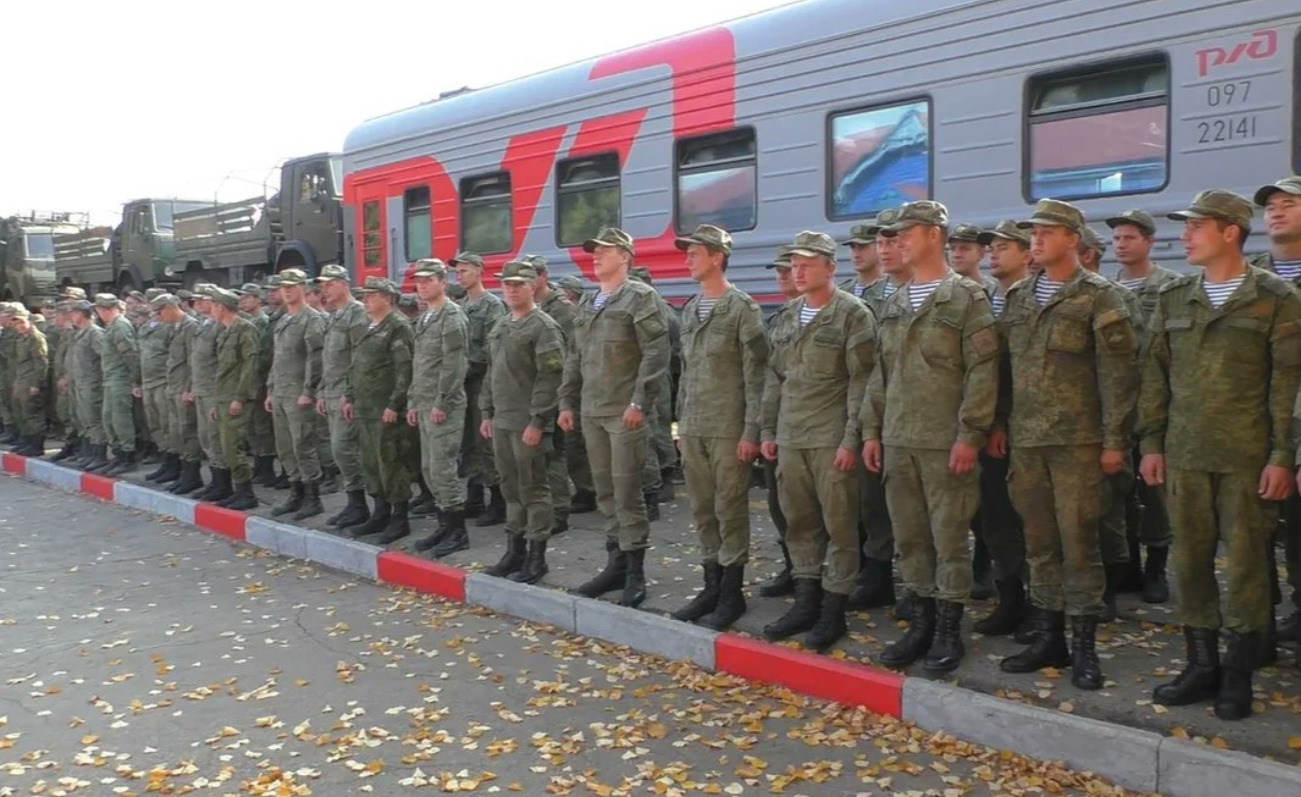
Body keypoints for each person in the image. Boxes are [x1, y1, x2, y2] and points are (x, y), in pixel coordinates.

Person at [1138, 189, 1301, 719]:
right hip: (1184, 454)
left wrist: (1281, 455)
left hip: (1246, 458)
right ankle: (1200, 664)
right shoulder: (1175, 297)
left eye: (1196, 226)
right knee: (1190, 563)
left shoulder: (1274, 298)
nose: (1184, 235)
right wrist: (1152, 443)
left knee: (1251, 568)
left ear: (1230, 232)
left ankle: (1238, 673)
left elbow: (1285, 384)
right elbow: (1154, 379)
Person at [994, 199, 1138, 690]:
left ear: (1073, 239)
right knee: (1039, 543)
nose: (1036, 240)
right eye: (1033, 232)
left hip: (1080, 443)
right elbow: (1006, 373)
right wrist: (999, 425)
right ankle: (1048, 635)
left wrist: (1115, 441)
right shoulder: (1018, 298)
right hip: (1028, 442)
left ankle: (1084, 647)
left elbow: (1118, 377)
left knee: (1080, 545)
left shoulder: (1101, 297)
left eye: (1047, 232)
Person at [863, 201, 999, 674]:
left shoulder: (965, 297)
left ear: (935, 235)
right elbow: (881, 373)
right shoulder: (896, 299)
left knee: (949, 540)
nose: (898, 241)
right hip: (900, 439)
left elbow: (983, 371)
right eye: (896, 234)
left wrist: (971, 433)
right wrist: (871, 430)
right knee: (911, 538)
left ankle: (947, 628)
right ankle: (920, 621)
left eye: (908, 233)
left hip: (945, 440)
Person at [760, 231, 876, 652]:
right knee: (799, 523)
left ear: (831, 267)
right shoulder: (788, 315)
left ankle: (833, 609)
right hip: (792, 438)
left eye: (808, 263)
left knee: (841, 527)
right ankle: (806, 600)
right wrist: (768, 430)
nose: (799, 270)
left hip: (831, 440)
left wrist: (851, 439)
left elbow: (861, 382)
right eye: (794, 264)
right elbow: (774, 378)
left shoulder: (853, 315)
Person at [558, 227, 671, 607]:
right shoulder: (591, 302)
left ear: (625, 255)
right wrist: (566, 402)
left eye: (604, 251)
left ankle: (635, 569)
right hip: (592, 411)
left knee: (627, 492)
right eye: (594, 251)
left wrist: (640, 403)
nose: (596, 256)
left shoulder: (640, 298)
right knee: (605, 491)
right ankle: (615, 564)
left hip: (624, 414)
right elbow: (576, 356)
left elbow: (656, 354)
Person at [669, 225, 768, 630]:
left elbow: (757, 375)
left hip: (729, 428)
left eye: (695, 253)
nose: (688, 259)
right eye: (688, 253)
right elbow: (686, 373)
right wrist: (679, 427)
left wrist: (751, 431)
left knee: (730, 510)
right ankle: (711, 584)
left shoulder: (742, 308)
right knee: (703, 509)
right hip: (694, 427)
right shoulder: (692, 308)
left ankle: (731, 591)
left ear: (717, 257)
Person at [1106, 209, 1179, 605]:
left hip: (1154, 403)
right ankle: (1129, 565)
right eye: (1116, 238)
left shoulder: (1170, 286)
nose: (1121, 244)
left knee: (1154, 491)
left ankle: (1156, 569)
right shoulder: (1107, 287)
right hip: (1118, 404)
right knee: (1120, 490)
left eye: (1129, 237)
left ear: (1149, 241)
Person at [479, 260, 565, 583]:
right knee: (510, 487)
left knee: (534, 489)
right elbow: (492, 372)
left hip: (527, 424)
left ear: (533, 286)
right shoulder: (502, 325)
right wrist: (486, 412)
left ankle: (537, 556)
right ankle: (514, 550)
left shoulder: (542, 327)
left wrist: (539, 421)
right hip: (502, 421)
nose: (512, 289)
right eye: (507, 284)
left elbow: (551, 377)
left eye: (519, 284)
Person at [971, 220, 1032, 636]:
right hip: (991, 428)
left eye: (1004, 247)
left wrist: (1004, 422)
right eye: (991, 246)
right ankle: (1011, 599)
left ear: (1028, 254)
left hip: (1028, 430)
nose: (994, 253)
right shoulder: (989, 299)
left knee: (1036, 523)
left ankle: (1044, 607)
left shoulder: (1034, 300)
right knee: (995, 519)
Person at [1251, 176, 1301, 654]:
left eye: (1289, 204)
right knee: (1253, 534)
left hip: (1298, 426)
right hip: (1251, 428)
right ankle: (1258, 625)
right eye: (1271, 207)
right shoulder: (1250, 277)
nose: (1276, 212)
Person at [405, 260, 470, 554]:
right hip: (424, 402)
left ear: (444, 282)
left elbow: (454, 365)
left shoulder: (451, 317)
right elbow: (420, 365)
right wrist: (413, 401)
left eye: (429, 280)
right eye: (419, 280)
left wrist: (442, 401)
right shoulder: (426, 317)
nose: (422, 284)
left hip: (444, 405)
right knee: (430, 468)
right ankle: (444, 525)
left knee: (443, 468)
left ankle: (458, 531)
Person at [349, 277, 416, 543]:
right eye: (364, 295)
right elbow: (357, 366)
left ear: (387, 298)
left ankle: (400, 519)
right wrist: (349, 396)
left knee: (391, 463)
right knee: (371, 462)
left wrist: (395, 404)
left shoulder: (398, 326)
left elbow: (405, 369)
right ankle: (380, 512)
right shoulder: (369, 326)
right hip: (366, 407)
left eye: (371, 295)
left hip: (386, 408)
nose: (365, 299)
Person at [756, 247, 801, 598]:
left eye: (790, 269)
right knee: (779, 503)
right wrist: (765, 428)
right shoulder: (780, 319)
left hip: (817, 430)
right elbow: (769, 381)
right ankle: (793, 567)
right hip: (780, 428)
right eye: (781, 270)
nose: (784, 275)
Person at [525, 254, 581, 534]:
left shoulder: (562, 310)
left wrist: (566, 396)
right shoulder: (528, 306)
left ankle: (559, 510)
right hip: (531, 391)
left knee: (553, 452)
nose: (526, 282)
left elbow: (573, 353)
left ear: (543, 276)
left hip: (556, 388)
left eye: (531, 276)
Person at [451, 251, 508, 526]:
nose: (459, 276)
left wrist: (464, 369)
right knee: (467, 442)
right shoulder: (460, 307)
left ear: (478, 271)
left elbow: (491, 347)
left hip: (482, 382)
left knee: (485, 443)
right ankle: (474, 497)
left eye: (464, 271)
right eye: (457, 272)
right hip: (462, 383)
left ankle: (498, 500)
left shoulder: (492, 306)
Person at [265, 269, 326, 520]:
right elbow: (277, 359)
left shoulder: (311, 319)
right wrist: (270, 389)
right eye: (283, 287)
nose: (287, 290)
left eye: (292, 286)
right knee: (285, 446)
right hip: (280, 392)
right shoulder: (284, 319)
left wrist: (308, 390)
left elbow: (316, 358)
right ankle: (296, 491)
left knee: (303, 445)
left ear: (303, 288)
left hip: (299, 393)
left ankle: (313, 497)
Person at [315, 264, 371, 529]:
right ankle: (354, 502)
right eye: (323, 285)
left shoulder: (357, 314)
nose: (324, 290)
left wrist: (350, 395)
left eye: (329, 284)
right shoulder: (335, 315)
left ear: (343, 284)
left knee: (345, 449)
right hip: (332, 392)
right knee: (340, 451)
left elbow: (359, 360)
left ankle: (360, 504)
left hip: (347, 395)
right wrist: (322, 392)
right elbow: (329, 360)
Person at [207, 288, 260, 510]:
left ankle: (246, 493)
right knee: (226, 445)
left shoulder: (244, 328)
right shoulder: (225, 330)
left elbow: (250, 365)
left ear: (221, 306)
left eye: (213, 305)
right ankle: (238, 490)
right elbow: (222, 370)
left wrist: (240, 397)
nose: (211, 310)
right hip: (223, 396)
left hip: (235, 397)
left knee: (234, 445)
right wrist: (215, 401)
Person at [155, 294, 204, 494]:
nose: (158, 317)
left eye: (160, 311)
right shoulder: (175, 327)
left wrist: (190, 388)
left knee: (188, 431)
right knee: (177, 432)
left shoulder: (191, 327)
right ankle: (184, 473)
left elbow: (194, 361)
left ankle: (192, 475)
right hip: (174, 387)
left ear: (169, 307)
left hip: (184, 389)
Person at [92, 294, 141, 476]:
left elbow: (131, 356)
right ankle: (119, 455)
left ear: (106, 309)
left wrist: (135, 380)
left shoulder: (120, 326)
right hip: (111, 379)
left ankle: (128, 457)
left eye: (99, 309)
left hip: (120, 379)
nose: (98, 312)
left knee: (121, 420)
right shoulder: (111, 326)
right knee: (109, 419)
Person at [189, 287, 228, 500]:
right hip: (201, 389)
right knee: (205, 437)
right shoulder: (202, 325)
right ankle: (215, 481)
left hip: (214, 391)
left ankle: (223, 483)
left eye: (203, 300)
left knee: (216, 438)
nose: (198, 303)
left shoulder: (219, 327)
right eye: (196, 300)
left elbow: (221, 364)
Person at [237, 283, 278, 487]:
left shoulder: (263, 322)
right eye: (241, 298)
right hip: (250, 381)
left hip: (260, 380)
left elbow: (265, 353)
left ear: (256, 299)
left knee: (263, 427)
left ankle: (267, 465)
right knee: (252, 426)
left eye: (247, 297)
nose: (243, 301)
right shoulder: (246, 321)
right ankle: (260, 464)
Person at [138, 295, 177, 482]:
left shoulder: (171, 329)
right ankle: (165, 459)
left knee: (167, 424)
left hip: (163, 382)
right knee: (154, 424)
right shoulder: (144, 329)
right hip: (148, 382)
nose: (156, 315)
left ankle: (173, 462)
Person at [5, 306, 48, 456]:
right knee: (21, 412)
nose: (19, 326)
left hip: (30, 382)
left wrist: (36, 384)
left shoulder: (36, 337)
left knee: (33, 414)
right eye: (16, 324)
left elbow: (41, 362)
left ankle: (36, 445)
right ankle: (26, 441)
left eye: (22, 322)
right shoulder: (20, 338)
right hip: (21, 380)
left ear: (29, 321)